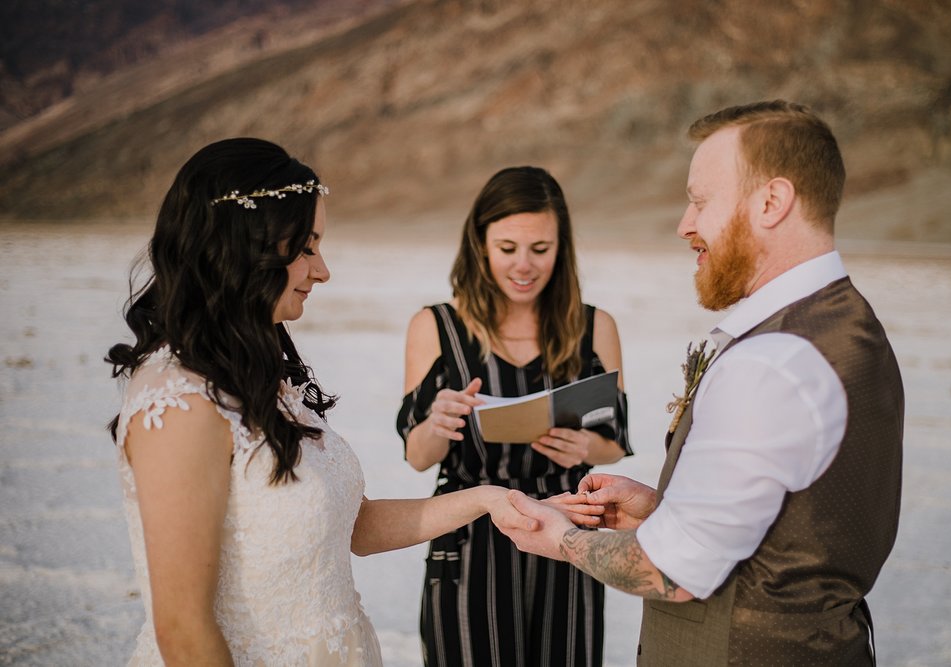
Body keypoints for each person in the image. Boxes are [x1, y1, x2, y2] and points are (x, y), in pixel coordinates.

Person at [499, 100, 905, 666]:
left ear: (771, 202)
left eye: (700, 199)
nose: (684, 225)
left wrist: (562, 539)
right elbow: (800, 524)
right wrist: (665, 509)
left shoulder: (772, 360)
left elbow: (673, 570)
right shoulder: (847, 324)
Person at [106, 138, 537, 666]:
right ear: (245, 248)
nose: (322, 270)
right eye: (306, 248)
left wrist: (487, 499)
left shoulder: (262, 378)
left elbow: (351, 527)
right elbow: (183, 629)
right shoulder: (179, 407)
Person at [396, 165, 632, 666]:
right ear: (479, 243)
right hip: (469, 538)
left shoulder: (595, 327)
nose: (523, 265)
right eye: (507, 249)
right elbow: (418, 457)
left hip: (568, 530)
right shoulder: (437, 326)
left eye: (540, 250)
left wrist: (584, 447)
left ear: (561, 247)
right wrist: (437, 424)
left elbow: (614, 439)